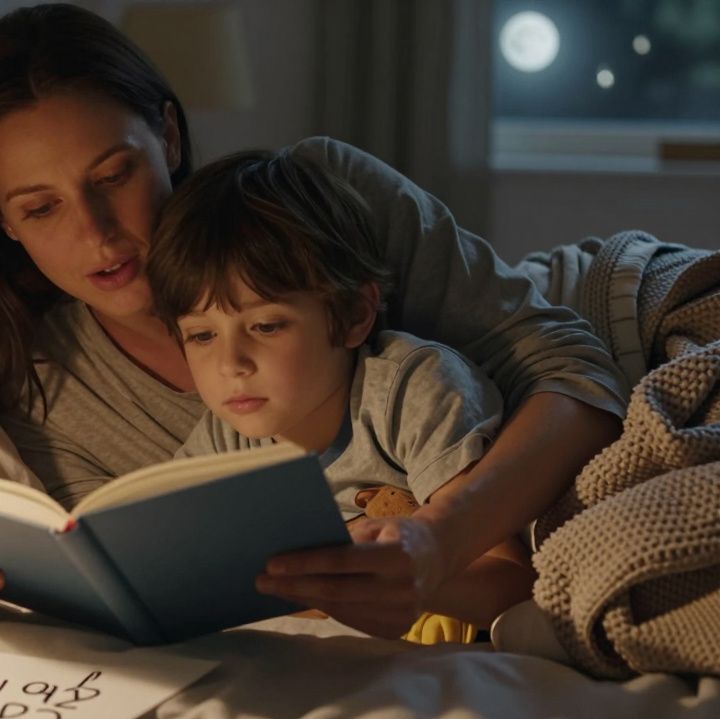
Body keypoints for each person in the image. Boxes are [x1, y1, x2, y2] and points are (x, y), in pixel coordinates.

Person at [0, 3, 626, 638]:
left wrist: (440, 538)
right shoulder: (46, 388)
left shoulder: (321, 197)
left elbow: (578, 372)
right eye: (41, 208)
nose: (97, 233)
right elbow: (122, 576)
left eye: (115, 174)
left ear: (167, 137)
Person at [147, 149, 535, 635]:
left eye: (266, 326)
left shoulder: (410, 393)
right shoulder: (227, 438)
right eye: (202, 336)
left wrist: (406, 583)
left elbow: (513, 582)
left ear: (353, 315)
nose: (231, 365)